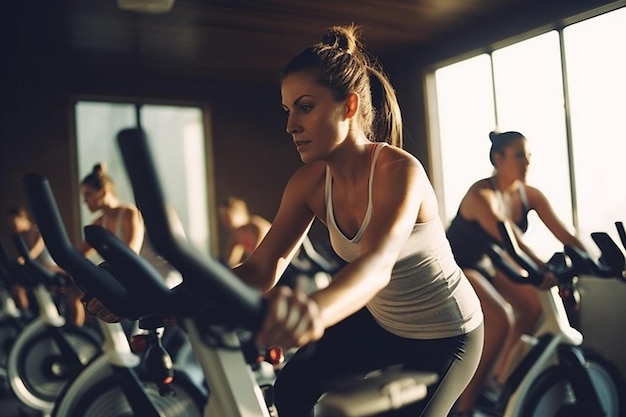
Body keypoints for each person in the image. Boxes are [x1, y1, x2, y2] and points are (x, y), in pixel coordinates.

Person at [229, 24, 484, 417]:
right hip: (383, 323)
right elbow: (262, 268)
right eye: (288, 109)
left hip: (447, 334)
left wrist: (315, 311)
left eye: (306, 107)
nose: (290, 125)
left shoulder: (398, 172)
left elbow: (375, 267)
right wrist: (166, 298)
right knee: (292, 388)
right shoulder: (309, 184)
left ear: (348, 107)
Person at [446, 130, 588, 416]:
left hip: (491, 266)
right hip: (458, 267)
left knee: (532, 305)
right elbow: (511, 242)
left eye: (529, 156)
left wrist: (593, 260)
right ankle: (464, 407)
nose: (527, 162)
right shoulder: (481, 194)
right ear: (498, 159)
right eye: (519, 156)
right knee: (501, 318)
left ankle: (497, 379)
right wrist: (543, 269)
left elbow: (566, 234)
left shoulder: (528, 194)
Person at [78, 163, 182, 315]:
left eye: (88, 194)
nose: (84, 201)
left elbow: (129, 256)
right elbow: (78, 255)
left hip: (161, 275)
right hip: (138, 279)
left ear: (103, 192)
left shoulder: (129, 214)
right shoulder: (99, 223)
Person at [5, 205, 64, 311]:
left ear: (23, 218)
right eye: (10, 225)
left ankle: (26, 314)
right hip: (37, 270)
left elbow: (36, 250)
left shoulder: (37, 231)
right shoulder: (23, 236)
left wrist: (23, 259)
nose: (12, 227)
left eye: (14, 223)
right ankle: (25, 315)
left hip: (49, 268)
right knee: (16, 286)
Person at [218, 196, 271, 267]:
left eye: (227, 216)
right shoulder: (237, 235)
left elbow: (257, 258)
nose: (225, 221)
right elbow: (230, 263)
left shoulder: (256, 227)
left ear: (240, 212)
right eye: (223, 217)